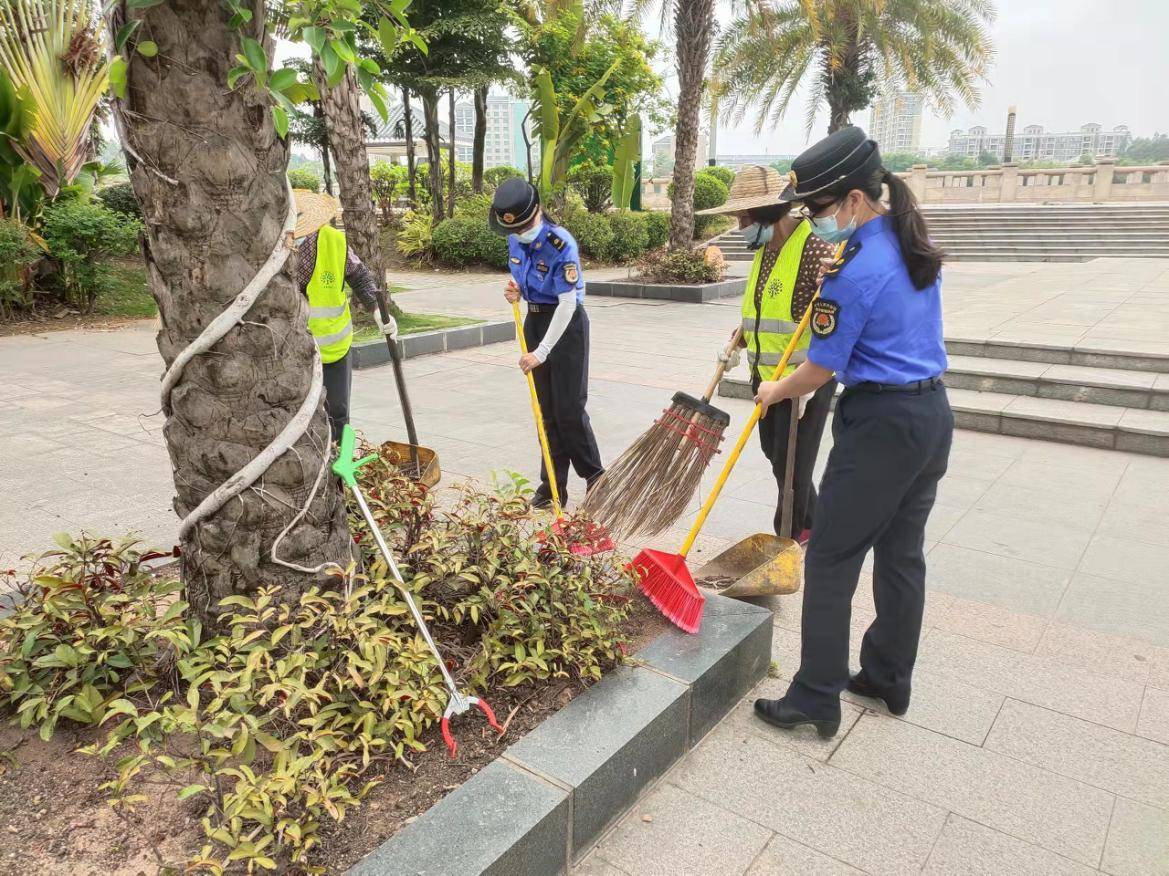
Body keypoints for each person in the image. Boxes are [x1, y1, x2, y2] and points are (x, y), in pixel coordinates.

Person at [751, 127, 953, 738]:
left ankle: (815, 695)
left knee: (834, 557)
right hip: (930, 418)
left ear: (853, 202)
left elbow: (819, 369)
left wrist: (774, 390)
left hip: (881, 428)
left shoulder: (855, 271)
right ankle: (889, 677)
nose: (813, 221)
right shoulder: (906, 238)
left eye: (817, 208)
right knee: (900, 554)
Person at [696, 166, 836, 543]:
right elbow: (765, 310)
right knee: (777, 457)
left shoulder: (816, 252)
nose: (740, 225)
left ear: (768, 213)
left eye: (743, 217)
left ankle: (784, 542)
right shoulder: (766, 249)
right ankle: (817, 523)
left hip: (801, 381)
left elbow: (831, 325)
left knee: (793, 468)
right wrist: (738, 340)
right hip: (765, 378)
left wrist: (804, 382)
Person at [489, 177, 604, 508]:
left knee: (568, 409)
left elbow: (567, 302)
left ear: (536, 211)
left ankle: (596, 478)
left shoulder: (559, 243)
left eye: (523, 225)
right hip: (535, 320)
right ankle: (552, 486)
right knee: (545, 412)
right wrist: (517, 292)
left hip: (566, 327)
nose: (517, 232)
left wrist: (541, 352)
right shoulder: (514, 240)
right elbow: (527, 281)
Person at [291, 190, 396, 443]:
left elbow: (360, 276)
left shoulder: (333, 241)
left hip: (334, 345)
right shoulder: (272, 250)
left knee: (338, 411)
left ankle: (340, 470)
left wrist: (378, 312)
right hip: (291, 350)